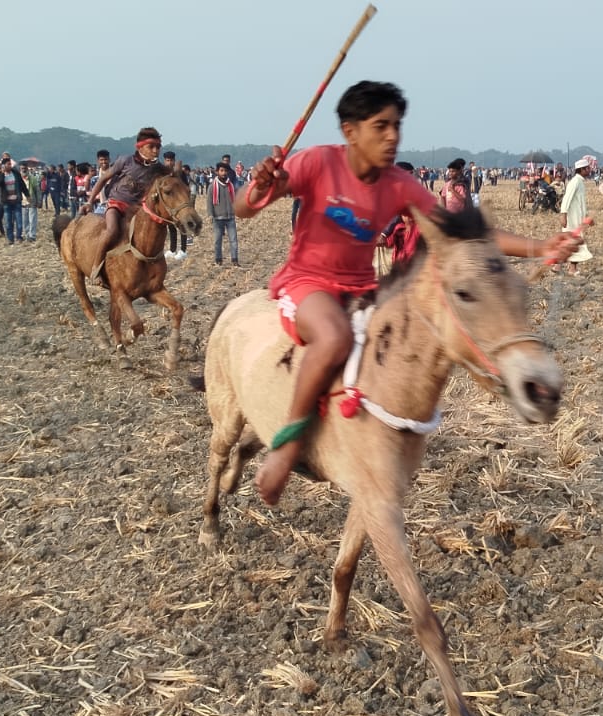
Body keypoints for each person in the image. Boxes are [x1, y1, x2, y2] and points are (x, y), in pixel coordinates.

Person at [233, 80, 579, 506]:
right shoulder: (317, 162)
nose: (393, 136)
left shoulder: (398, 184)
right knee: (335, 338)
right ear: (350, 131)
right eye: (381, 126)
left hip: (364, 288)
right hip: (308, 282)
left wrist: (539, 247)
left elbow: (464, 235)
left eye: (397, 125)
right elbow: (244, 208)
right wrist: (261, 185)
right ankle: (286, 447)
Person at [82, 128, 164, 269]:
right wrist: (90, 202)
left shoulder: (157, 168)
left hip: (138, 210)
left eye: (158, 147)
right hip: (117, 204)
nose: (155, 151)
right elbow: (103, 180)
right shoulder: (125, 161)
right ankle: (97, 266)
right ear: (140, 147)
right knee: (112, 231)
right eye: (151, 147)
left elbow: (173, 177)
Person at [559, 158, 593, 274]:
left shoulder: (580, 182)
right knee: (573, 243)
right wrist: (563, 214)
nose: (589, 170)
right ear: (582, 170)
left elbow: (581, 203)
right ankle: (571, 268)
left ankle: (560, 266)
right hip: (572, 219)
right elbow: (566, 198)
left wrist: (587, 218)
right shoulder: (575, 182)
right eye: (587, 168)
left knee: (571, 243)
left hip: (577, 218)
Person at [207, 163, 239, 265]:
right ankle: (218, 259)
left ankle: (234, 260)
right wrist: (210, 215)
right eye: (221, 171)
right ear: (217, 172)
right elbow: (209, 202)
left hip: (230, 217)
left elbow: (235, 200)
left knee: (233, 240)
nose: (224, 173)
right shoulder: (212, 186)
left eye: (225, 171)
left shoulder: (231, 186)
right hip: (217, 217)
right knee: (218, 241)